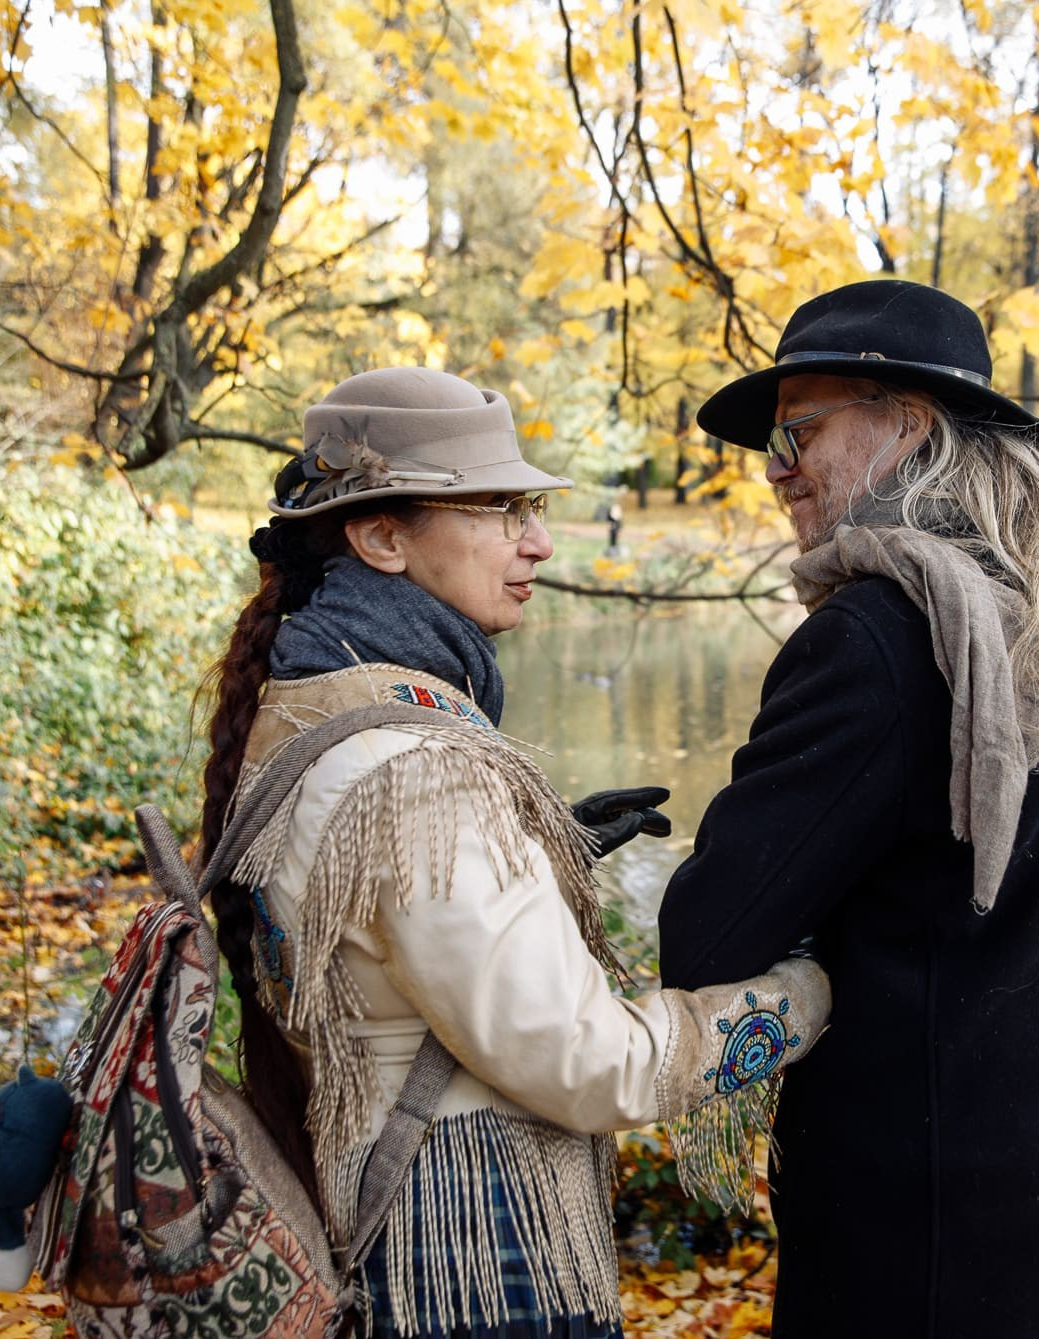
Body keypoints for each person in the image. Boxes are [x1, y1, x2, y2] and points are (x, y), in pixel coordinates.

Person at [203, 367, 830, 1339]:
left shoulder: (299, 711)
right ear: (378, 536)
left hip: (369, 1232)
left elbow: (375, 945)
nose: (536, 541)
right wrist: (803, 997)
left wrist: (540, 851)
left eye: (529, 507)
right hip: (475, 1267)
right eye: (497, 508)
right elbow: (586, 1061)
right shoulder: (420, 775)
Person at [656, 280, 1039, 1336]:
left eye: (799, 429)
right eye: (770, 438)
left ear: (910, 425)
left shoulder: (880, 638)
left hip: (916, 1249)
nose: (774, 466)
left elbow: (703, 938)